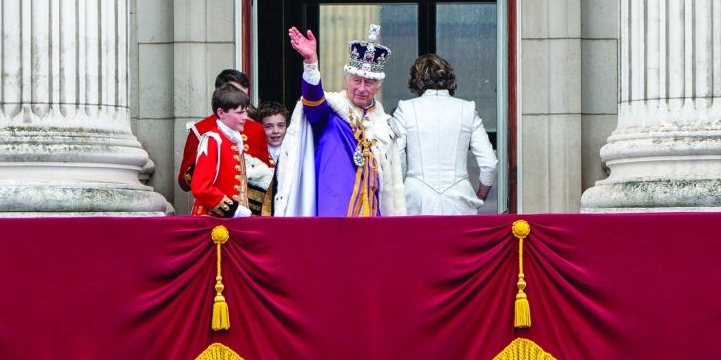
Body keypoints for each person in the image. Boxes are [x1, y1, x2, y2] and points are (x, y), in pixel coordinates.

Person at [274, 24, 406, 217]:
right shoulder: (332, 113)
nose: (361, 88)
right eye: (356, 80)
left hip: (373, 217)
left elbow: (391, 188)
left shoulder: (385, 126)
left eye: (368, 83)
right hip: (334, 215)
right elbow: (312, 101)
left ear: (378, 87)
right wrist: (311, 62)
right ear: (346, 81)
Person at [392, 54, 497, 215]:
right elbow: (489, 164)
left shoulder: (405, 109)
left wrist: (405, 187)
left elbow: (396, 159)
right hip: (460, 198)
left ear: (416, 80)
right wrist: (481, 196)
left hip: (416, 198)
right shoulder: (467, 109)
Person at [178, 69, 274, 197]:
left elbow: (267, 172)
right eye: (236, 94)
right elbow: (184, 182)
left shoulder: (256, 129)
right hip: (217, 205)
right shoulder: (201, 130)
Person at [190, 85, 254, 218]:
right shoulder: (213, 140)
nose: (245, 117)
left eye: (246, 112)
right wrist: (233, 209)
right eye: (240, 112)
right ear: (221, 113)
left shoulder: (233, 139)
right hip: (212, 221)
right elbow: (201, 188)